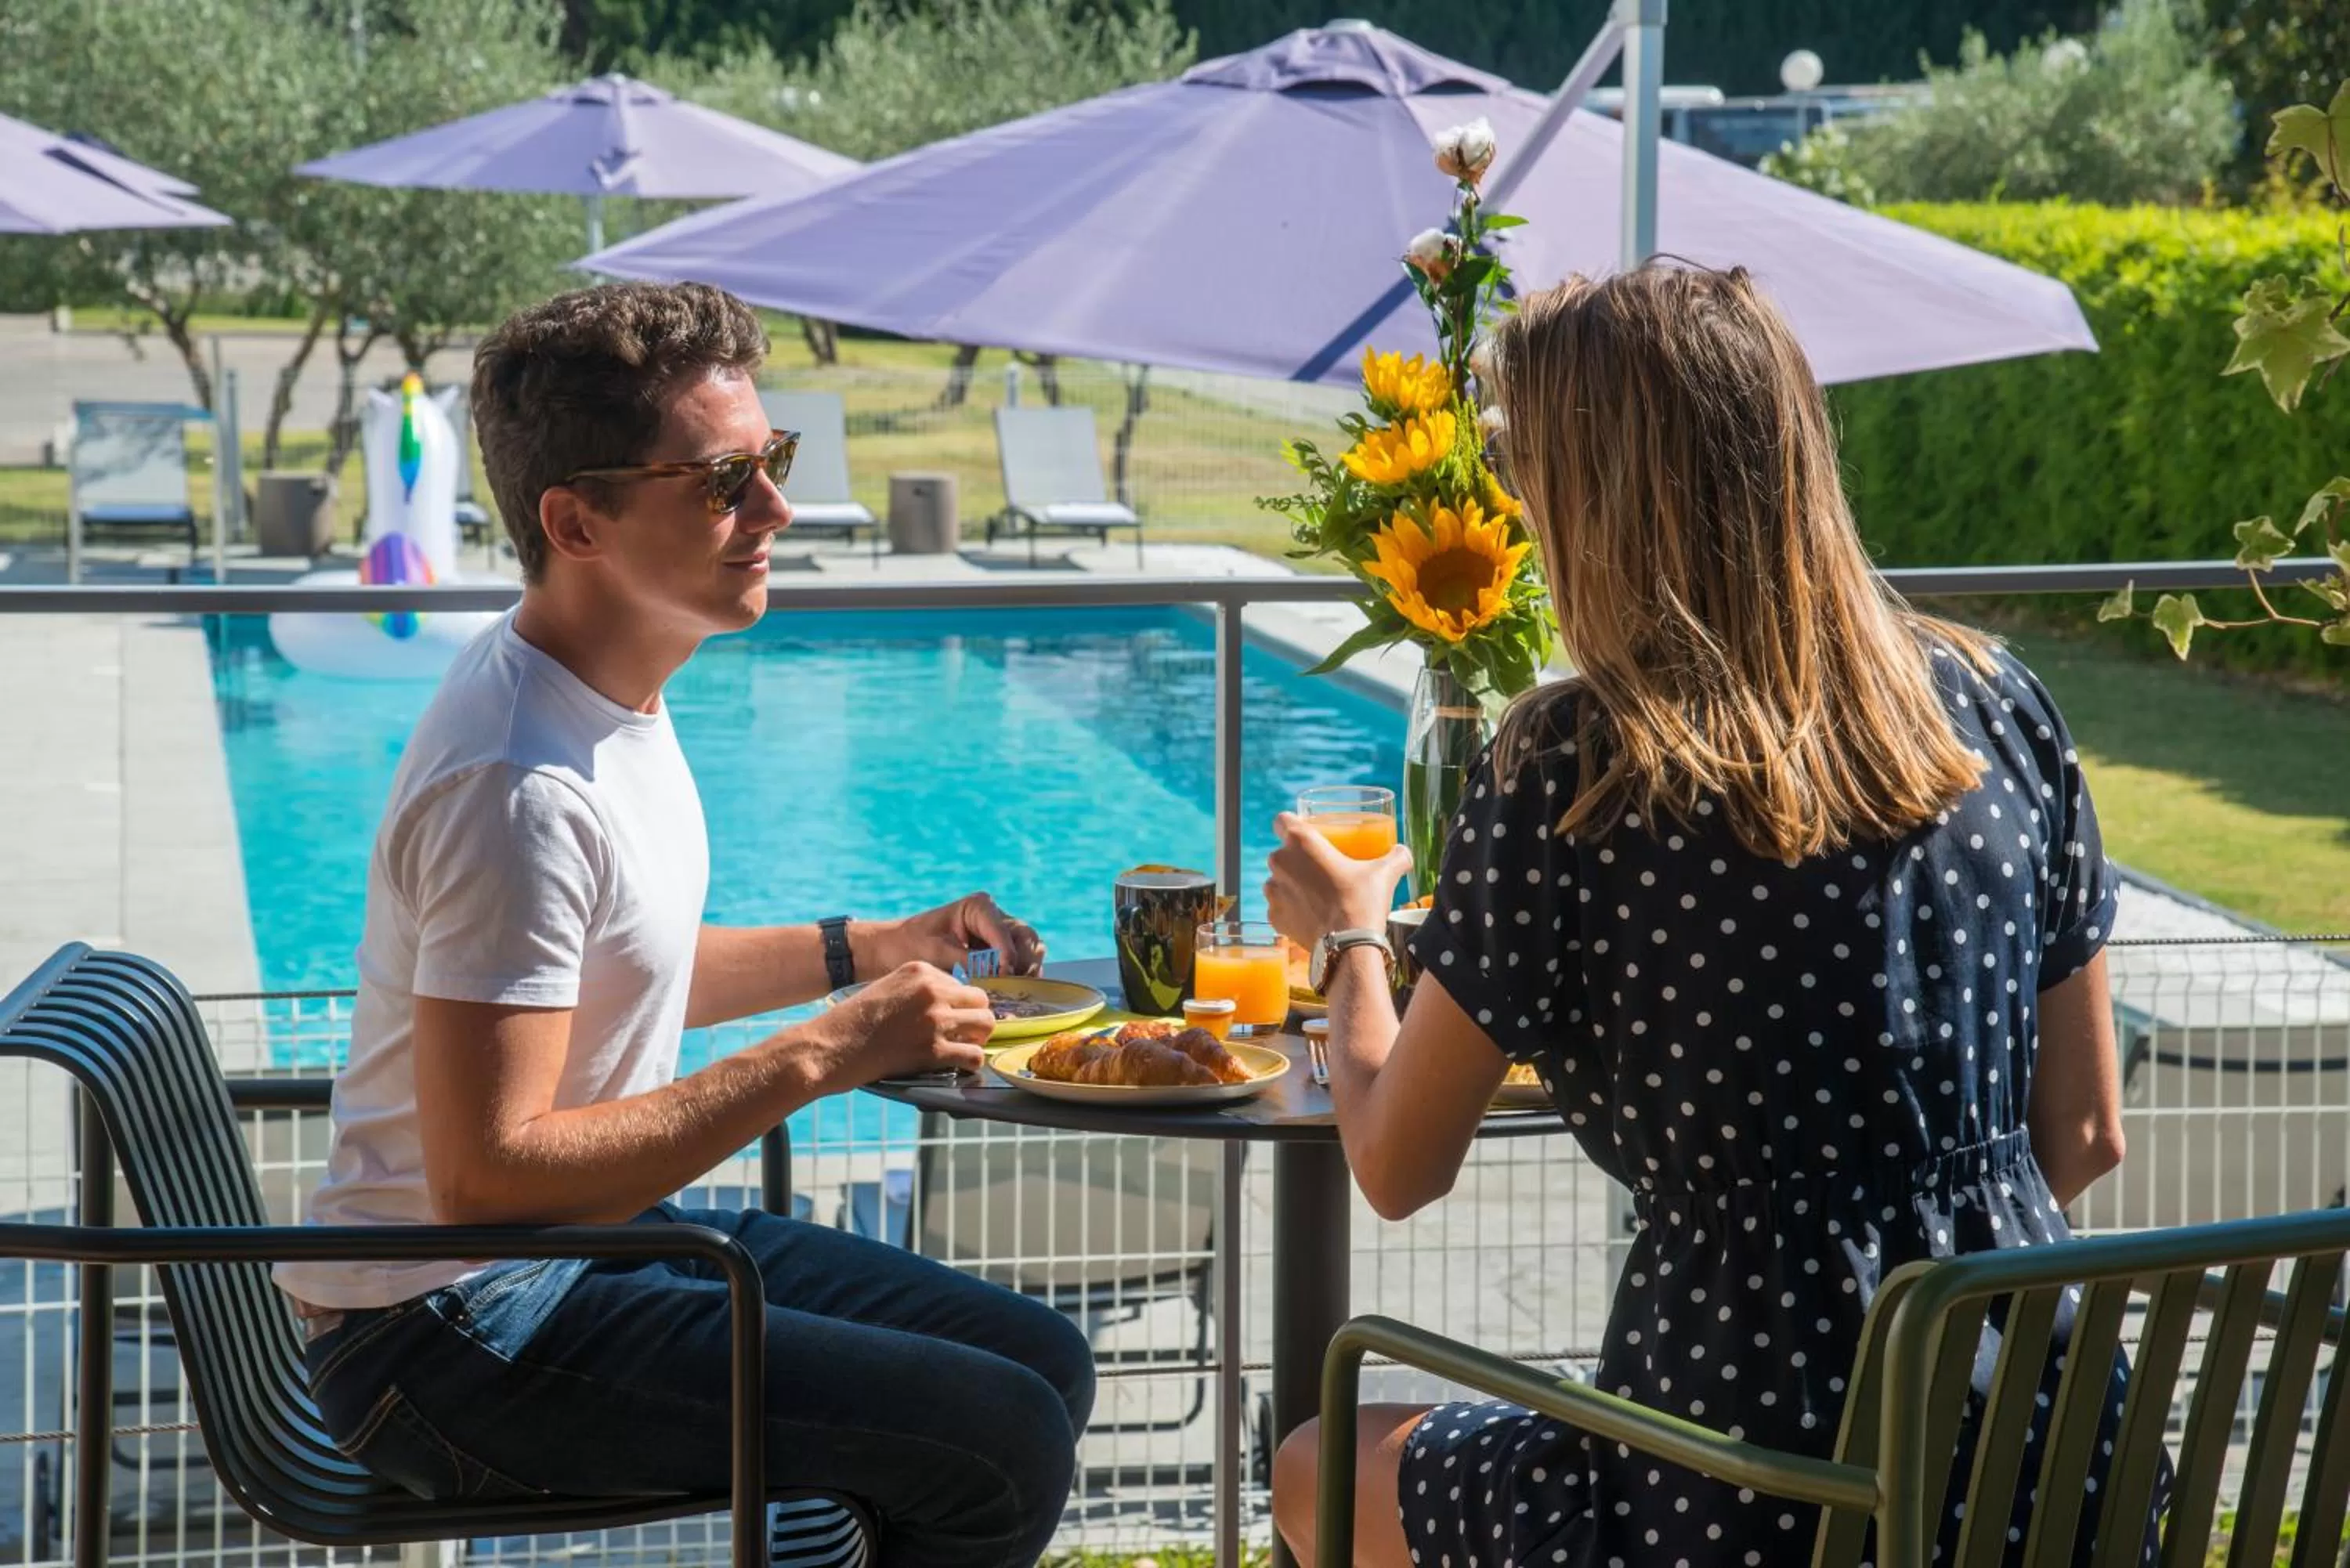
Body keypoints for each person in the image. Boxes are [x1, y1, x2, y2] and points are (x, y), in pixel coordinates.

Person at [1262, 265, 2158, 1566]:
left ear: (1596, 501)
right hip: (2046, 1463)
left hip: (1728, 1483)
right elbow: (2079, 1132)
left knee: (1316, 1463)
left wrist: (1351, 938)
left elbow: (1396, 1167)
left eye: (1531, 478)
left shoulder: (1578, 765)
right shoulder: (2000, 705)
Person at [273, 282, 1094, 1568]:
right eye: (723, 483)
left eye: (772, 461)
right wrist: (829, 1048)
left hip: (572, 1260)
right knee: (1002, 1439)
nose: (776, 509)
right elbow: (488, 1175)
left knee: (1037, 1359)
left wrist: (870, 947)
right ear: (575, 519)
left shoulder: (601, 695)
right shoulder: (518, 783)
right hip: (447, 1334)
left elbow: (618, 974)